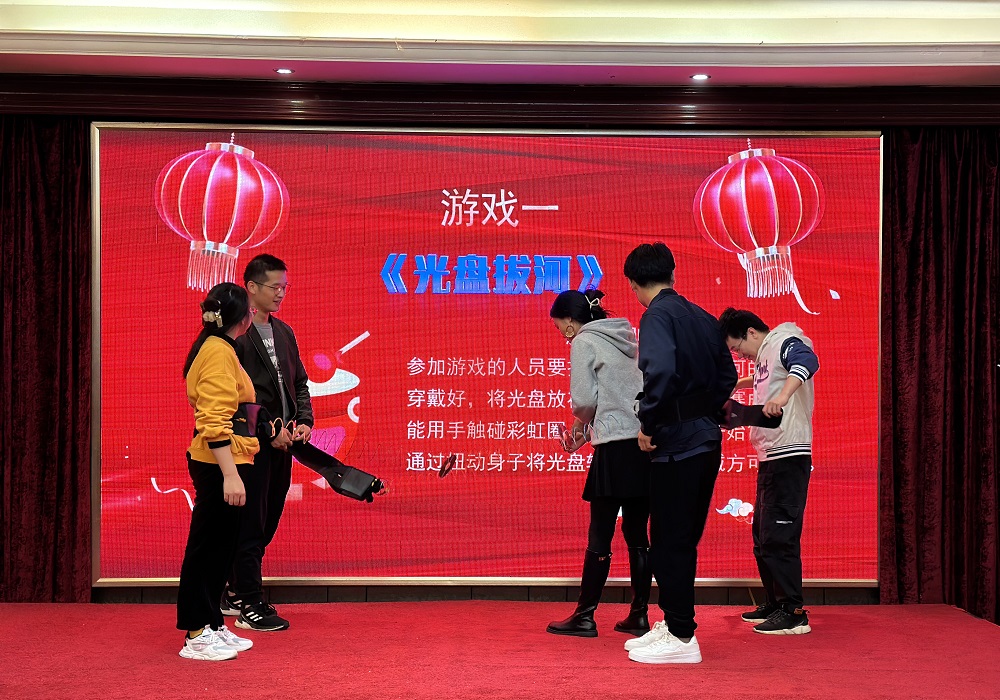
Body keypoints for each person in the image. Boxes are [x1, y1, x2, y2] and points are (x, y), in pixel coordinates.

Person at [621, 242, 737, 665]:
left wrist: (650, 425)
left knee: (670, 540)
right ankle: (673, 623)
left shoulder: (656, 316)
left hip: (676, 447)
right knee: (679, 538)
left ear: (634, 283)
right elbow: (728, 375)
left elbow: (662, 372)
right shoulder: (702, 316)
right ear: (672, 274)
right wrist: (701, 410)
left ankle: (683, 635)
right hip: (704, 441)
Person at [545, 289, 653, 639]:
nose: (563, 335)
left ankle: (585, 615)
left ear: (571, 322)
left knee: (600, 533)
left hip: (613, 449)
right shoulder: (627, 338)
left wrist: (580, 425)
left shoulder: (584, 341)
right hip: (642, 444)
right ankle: (639, 615)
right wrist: (583, 430)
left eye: (560, 327)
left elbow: (584, 401)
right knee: (638, 535)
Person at [222, 254, 314, 632]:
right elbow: (235, 398)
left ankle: (233, 590)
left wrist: (304, 421)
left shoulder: (285, 332)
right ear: (252, 287)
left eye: (284, 288)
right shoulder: (236, 336)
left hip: (285, 444)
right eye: (275, 287)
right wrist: (267, 432)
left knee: (268, 519)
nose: (280, 294)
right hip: (250, 446)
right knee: (250, 523)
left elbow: (299, 383)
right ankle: (250, 601)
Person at [718, 308, 819, 635]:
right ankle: (776, 602)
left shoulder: (784, 340)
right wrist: (738, 383)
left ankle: (794, 611)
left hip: (789, 454)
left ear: (750, 332)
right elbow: (768, 377)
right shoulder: (764, 355)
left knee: (780, 535)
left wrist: (784, 396)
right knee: (763, 536)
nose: (739, 355)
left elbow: (807, 361)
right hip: (770, 456)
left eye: (736, 348)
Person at [177, 282, 258, 661]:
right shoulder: (217, 351)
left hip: (231, 459)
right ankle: (196, 631)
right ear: (241, 317)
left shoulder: (222, 348)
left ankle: (212, 622)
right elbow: (213, 419)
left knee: (222, 547)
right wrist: (230, 474)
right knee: (207, 547)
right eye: (251, 308)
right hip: (217, 464)